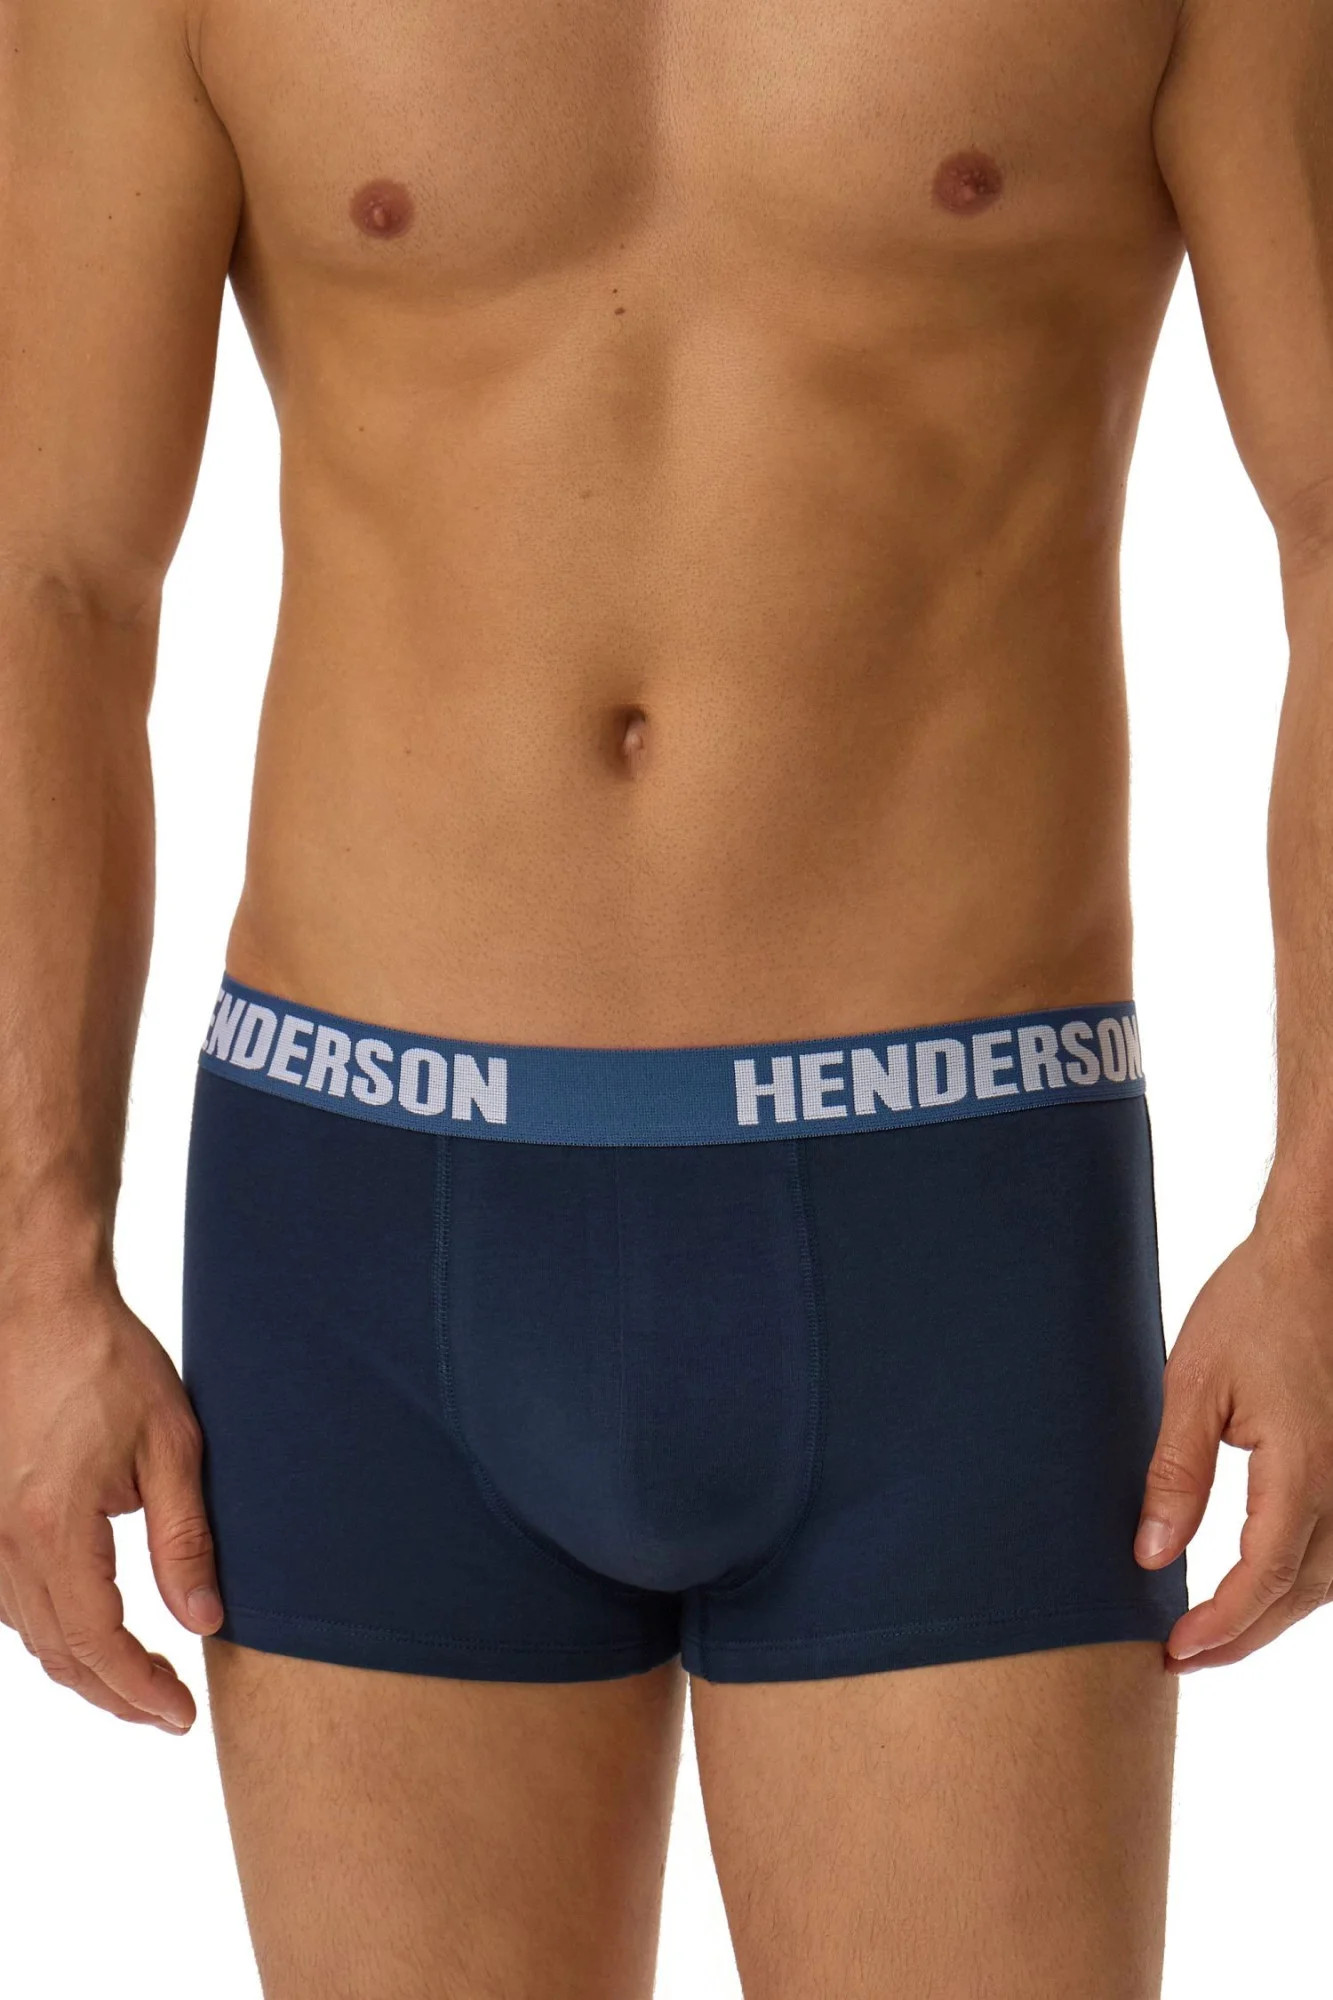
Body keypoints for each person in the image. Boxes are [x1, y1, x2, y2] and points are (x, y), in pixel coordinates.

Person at [2, 0, 1332, 1993]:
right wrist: (31, 1270)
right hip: (368, 1225)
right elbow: (50, 580)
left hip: (949, 1220)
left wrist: (1321, 1223)